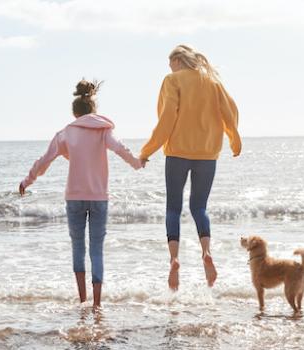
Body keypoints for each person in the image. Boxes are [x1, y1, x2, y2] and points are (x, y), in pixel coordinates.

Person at [19, 79, 142, 308]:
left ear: (75, 113)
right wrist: (137, 163)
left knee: (78, 247)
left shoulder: (65, 133)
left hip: (74, 198)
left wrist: (27, 181)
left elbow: (44, 161)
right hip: (99, 198)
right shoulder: (103, 131)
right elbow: (120, 149)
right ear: (93, 110)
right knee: (96, 249)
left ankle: (82, 300)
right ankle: (96, 304)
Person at [140, 45, 242, 291]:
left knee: (173, 208)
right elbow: (231, 111)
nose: (169, 67)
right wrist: (234, 140)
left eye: (170, 62)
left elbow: (167, 119)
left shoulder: (172, 80)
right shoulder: (212, 82)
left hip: (177, 153)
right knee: (199, 207)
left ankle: (174, 260)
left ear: (177, 60)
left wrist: (147, 151)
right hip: (208, 154)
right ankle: (206, 252)